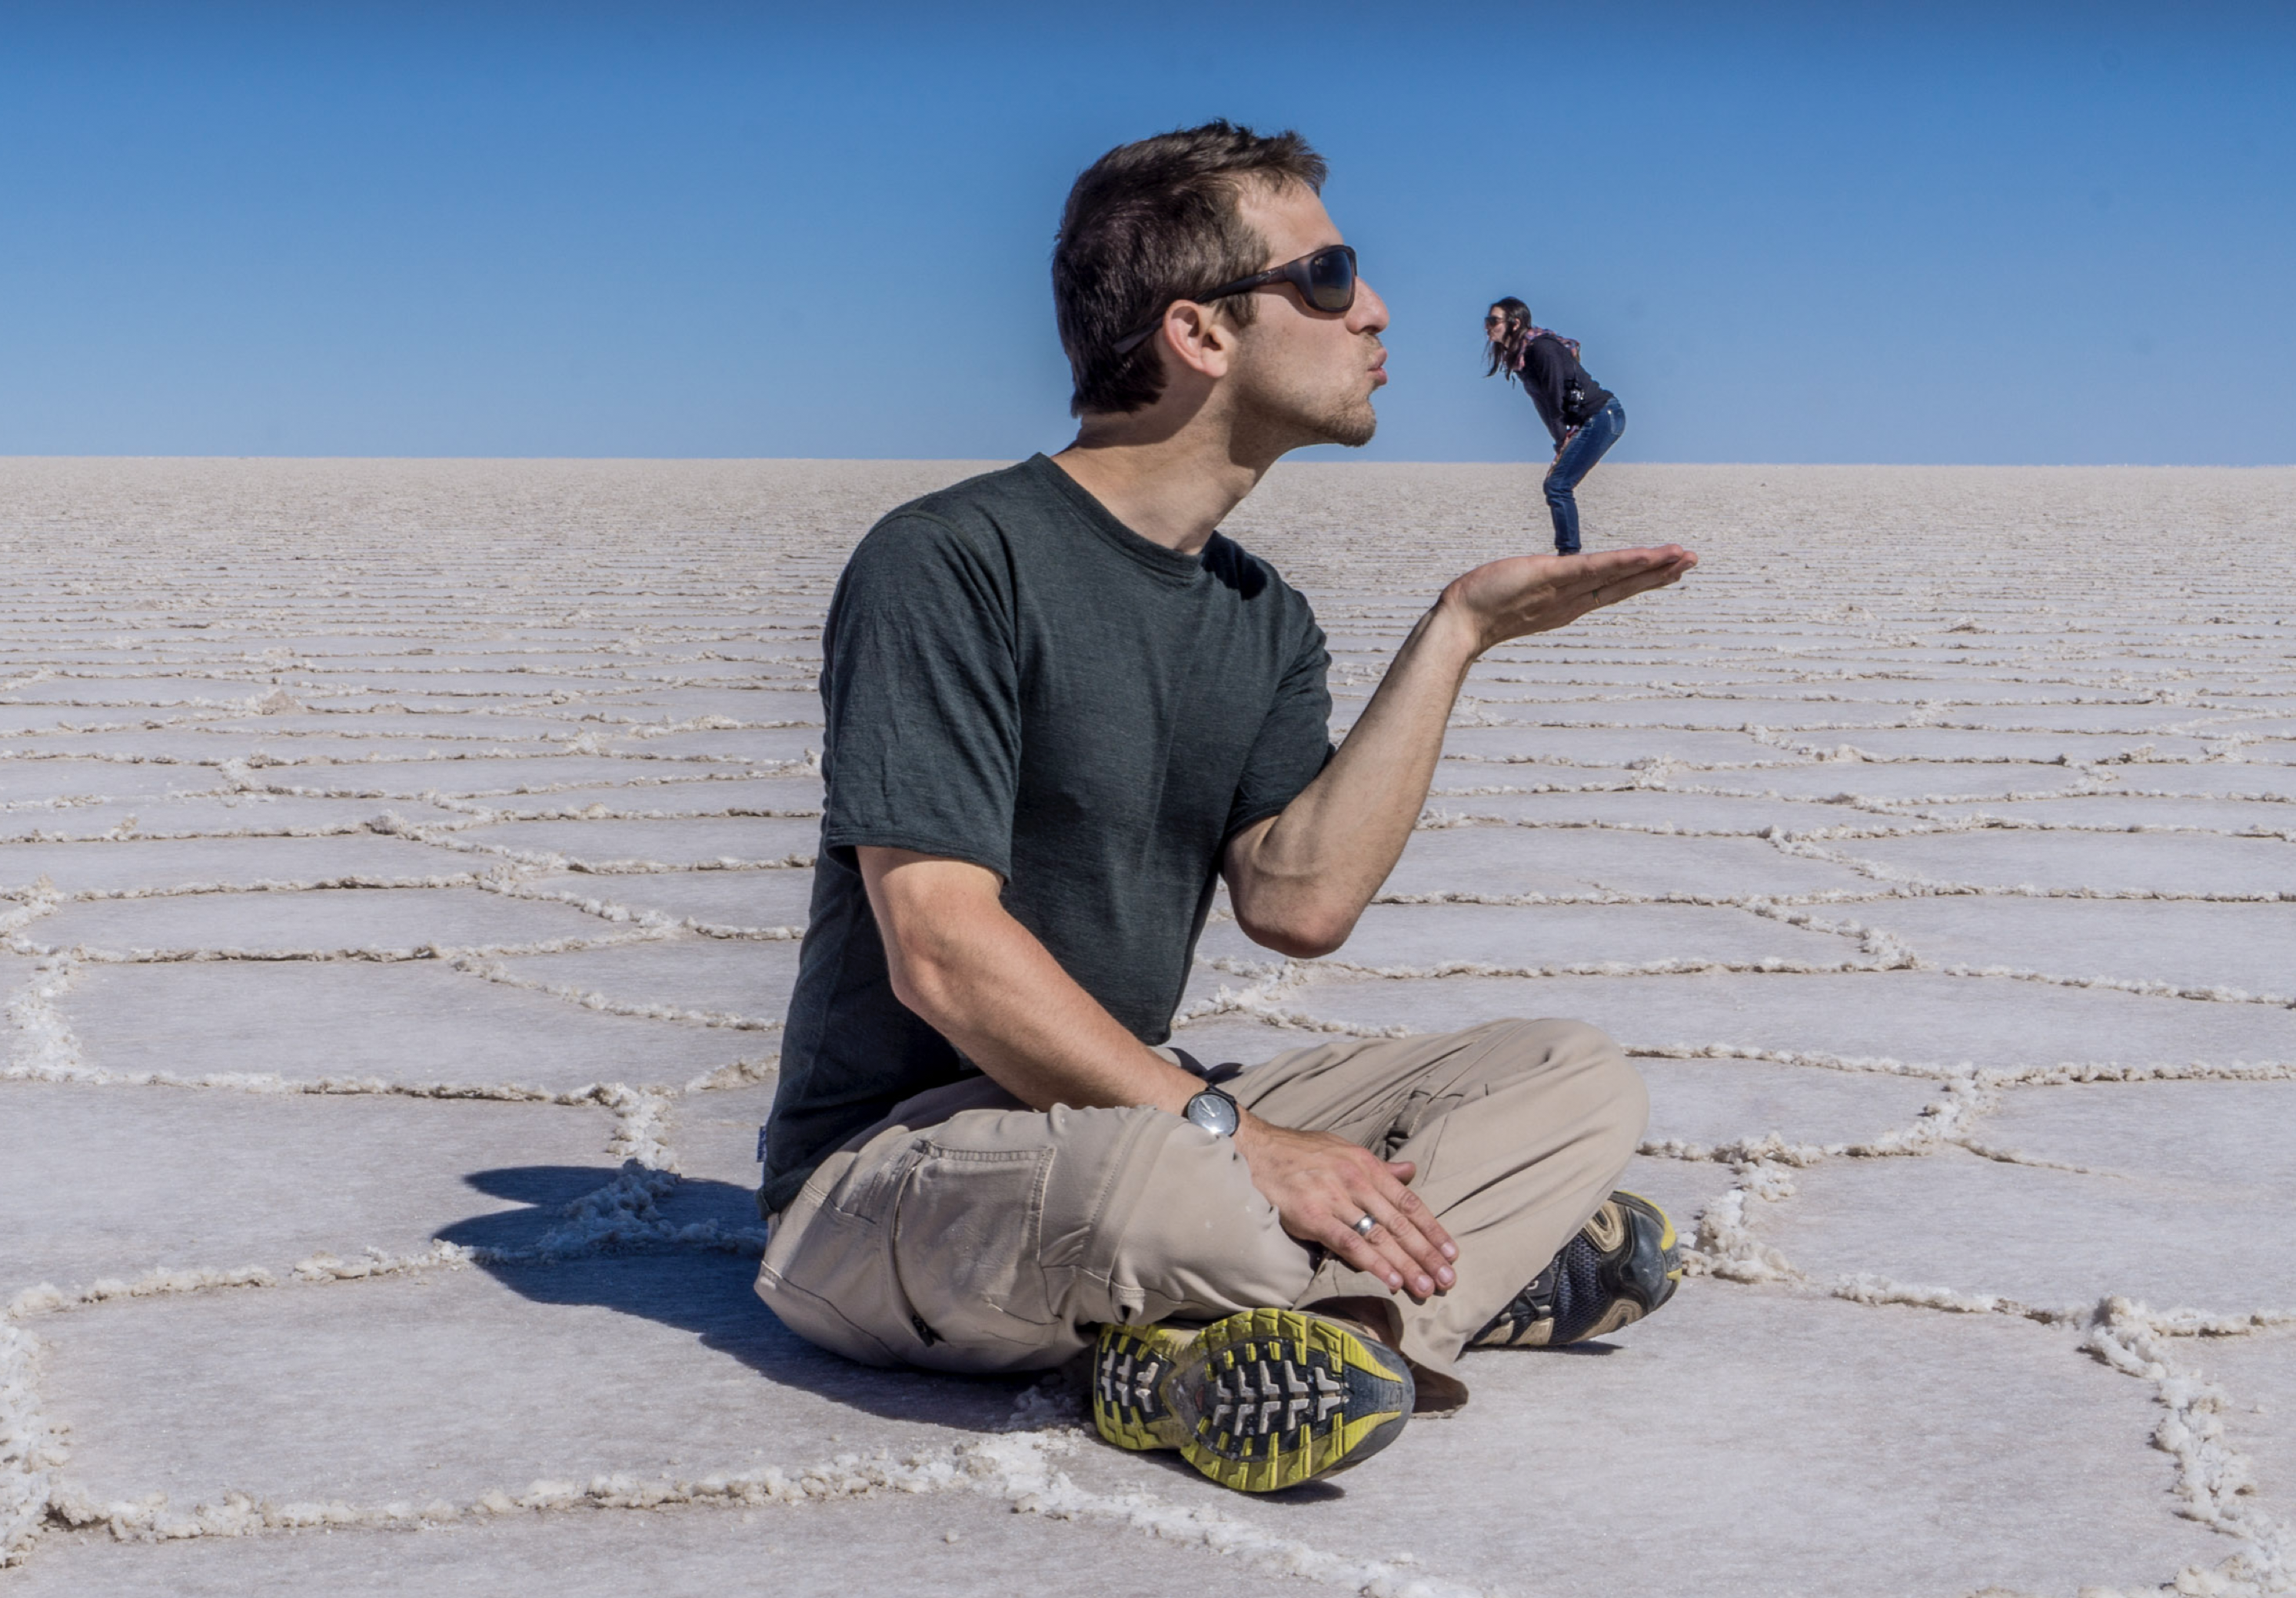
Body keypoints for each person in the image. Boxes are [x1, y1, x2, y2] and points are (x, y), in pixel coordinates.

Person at [754, 122, 1699, 1496]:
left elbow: (1299, 902)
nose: (1372, 309)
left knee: (1571, 1072)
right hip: (895, 1169)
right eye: (1329, 277)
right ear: (1197, 330)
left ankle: (1241, 1340)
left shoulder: (1264, 616)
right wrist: (1240, 1140)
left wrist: (1454, 635)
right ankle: (1430, 1279)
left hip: (1130, 1103)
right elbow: (942, 951)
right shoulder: (950, 560)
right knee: (1172, 1192)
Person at [1486, 298, 1626, 554]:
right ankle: (1568, 553)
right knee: (1556, 485)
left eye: (1494, 321)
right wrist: (1560, 439)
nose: (1488, 326)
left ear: (1515, 324)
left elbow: (1554, 396)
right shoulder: (1520, 357)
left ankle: (1569, 555)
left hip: (1602, 416)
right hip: (1591, 420)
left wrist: (1563, 439)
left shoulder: (1540, 349)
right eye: (1488, 321)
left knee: (1558, 485)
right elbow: (1544, 405)